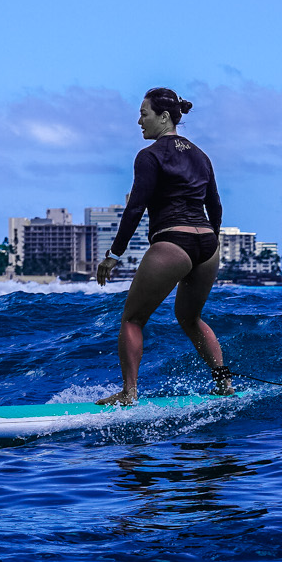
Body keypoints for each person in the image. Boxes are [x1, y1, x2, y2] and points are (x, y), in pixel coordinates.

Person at [93, 87, 231, 405]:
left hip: (173, 242)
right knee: (190, 316)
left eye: (144, 114)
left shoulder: (149, 156)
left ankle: (129, 392)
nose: (139, 121)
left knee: (133, 319)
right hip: (208, 246)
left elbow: (135, 208)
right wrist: (212, 240)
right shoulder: (201, 155)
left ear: (163, 117)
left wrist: (114, 254)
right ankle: (224, 383)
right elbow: (216, 206)